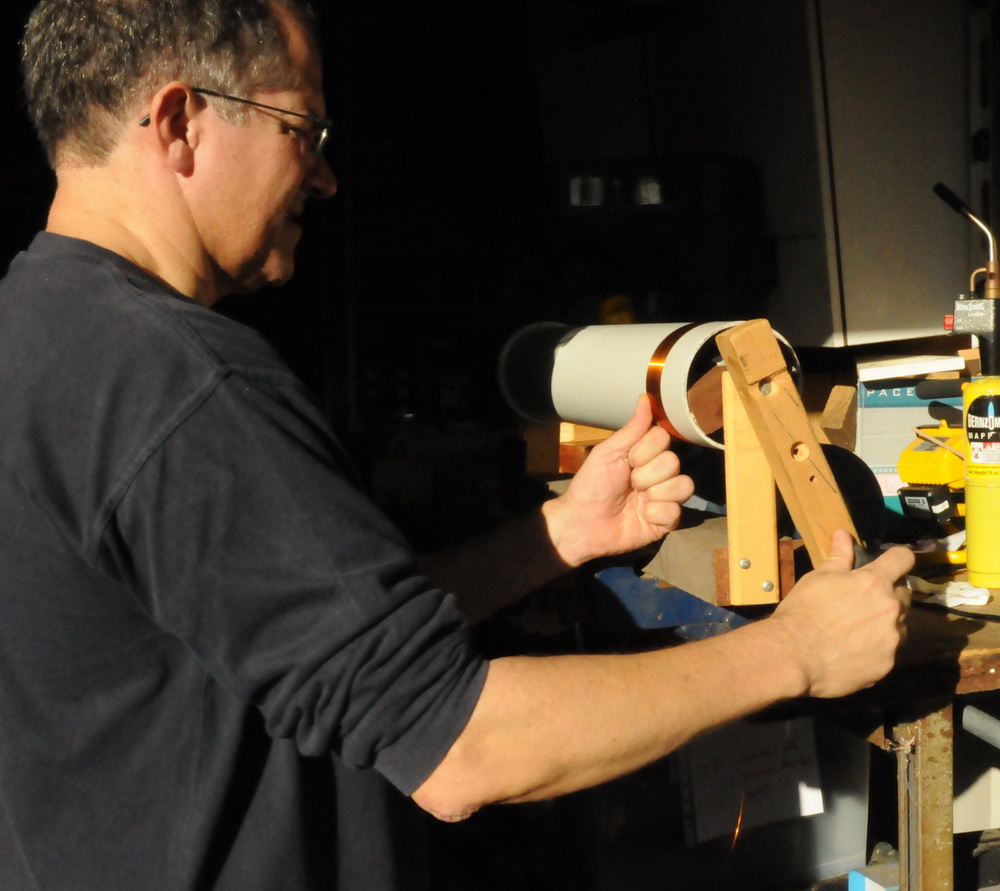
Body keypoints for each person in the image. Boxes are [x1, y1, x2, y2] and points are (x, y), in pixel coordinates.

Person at [0, 0, 914, 888]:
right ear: (179, 123)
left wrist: (557, 536)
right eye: (303, 131)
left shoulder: (34, 331)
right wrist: (798, 649)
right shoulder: (184, 385)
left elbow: (309, 636)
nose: (326, 178)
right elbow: (462, 747)